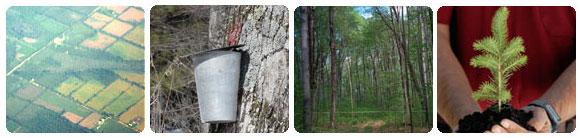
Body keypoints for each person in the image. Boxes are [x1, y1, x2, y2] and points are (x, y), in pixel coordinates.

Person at [437, 6, 576, 133]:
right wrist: (467, 122)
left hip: (557, 121)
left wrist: (550, 112)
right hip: (459, 111)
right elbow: (434, 32)